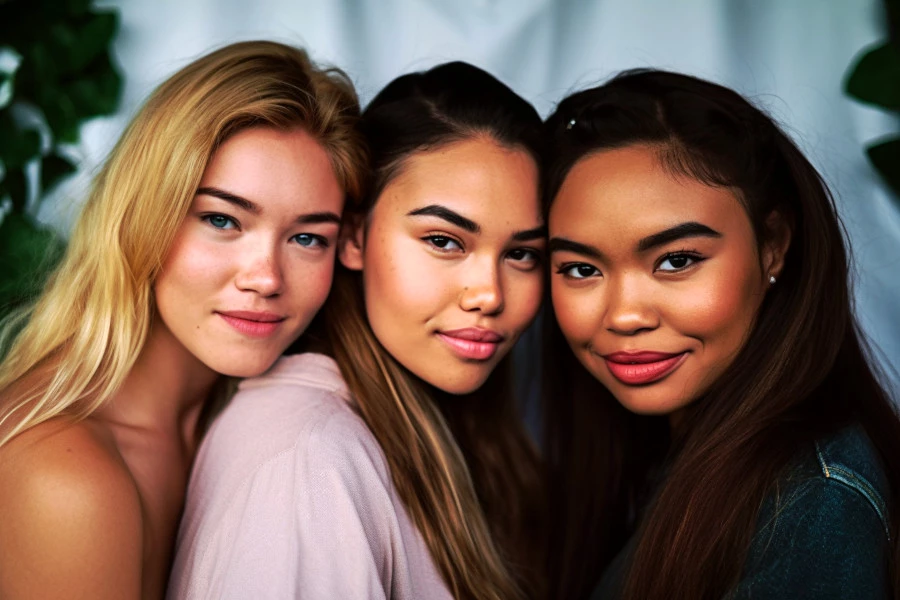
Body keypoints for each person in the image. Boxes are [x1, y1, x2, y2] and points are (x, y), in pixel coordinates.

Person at [0, 41, 366, 600]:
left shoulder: (262, 424)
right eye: (222, 219)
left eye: (307, 237)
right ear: (142, 213)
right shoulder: (66, 476)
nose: (266, 278)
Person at [169, 61, 546, 600]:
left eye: (522, 253)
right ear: (353, 237)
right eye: (443, 240)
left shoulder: (401, 433)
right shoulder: (307, 463)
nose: (488, 294)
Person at [542, 69, 900, 600]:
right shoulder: (667, 454)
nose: (624, 316)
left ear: (773, 245)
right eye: (580, 269)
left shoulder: (812, 503)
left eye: (677, 260)